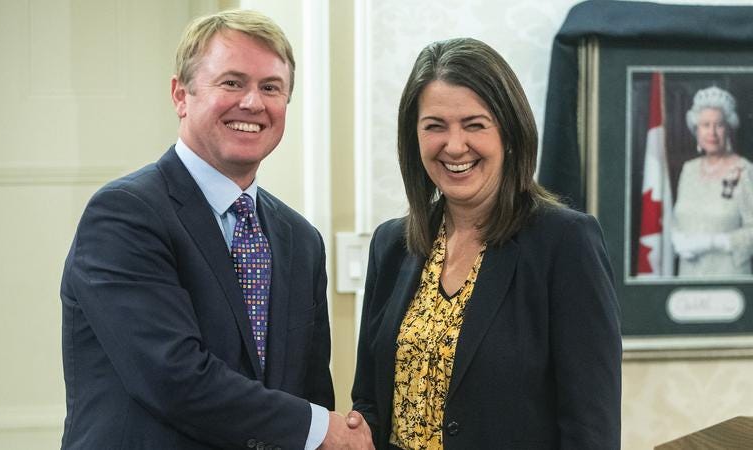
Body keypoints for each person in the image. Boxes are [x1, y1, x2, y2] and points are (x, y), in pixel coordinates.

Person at [60, 10, 372, 449]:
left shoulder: (300, 240)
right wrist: (321, 429)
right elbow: (173, 377)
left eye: (271, 88)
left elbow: (308, 390)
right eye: (232, 82)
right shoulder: (125, 215)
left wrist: (321, 427)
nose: (252, 103)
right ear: (180, 95)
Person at [350, 38, 621, 449]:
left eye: (474, 125)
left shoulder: (565, 243)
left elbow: (590, 428)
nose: (454, 145)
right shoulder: (391, 245)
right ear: (414, 137)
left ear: (509, 133)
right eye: (434, 126)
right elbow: (370, 399)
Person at [672, 86, 753, 277]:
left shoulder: (744, 171)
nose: (712, 132)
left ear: (729, 128)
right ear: (696, 130)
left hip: (729, 278)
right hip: (689, 275)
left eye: (719, 125)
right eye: (705, 125)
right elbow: (677, 218)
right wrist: (675, 237)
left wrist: (714, 242)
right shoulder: (688, 169)